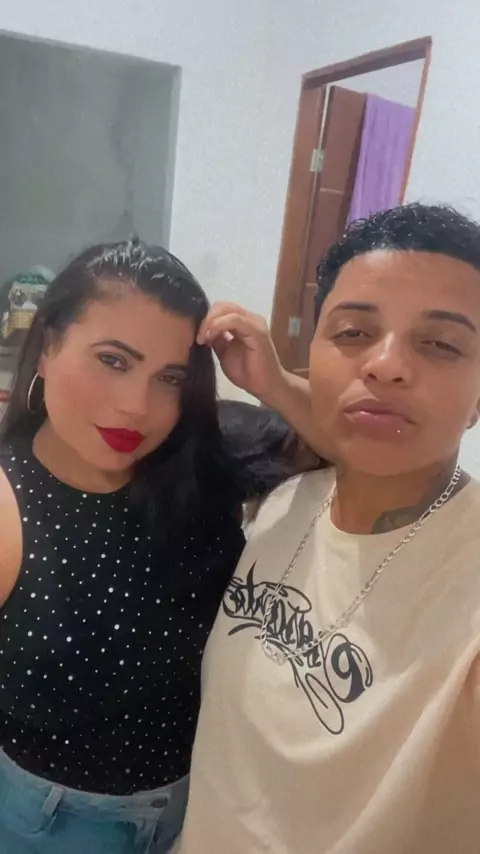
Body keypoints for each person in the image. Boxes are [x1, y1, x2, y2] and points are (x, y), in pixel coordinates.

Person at [177, 203, 480, 854]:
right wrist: (275, 386)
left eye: (440, 344)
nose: (387, 365)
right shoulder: (286, 503)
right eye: (353, 332)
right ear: (313, 351)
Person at [0, 238, 317, 853]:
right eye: (112, 360)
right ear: (48, 347)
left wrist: (274, 383)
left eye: (169, 378)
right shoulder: (10, 504)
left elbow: (359, 455)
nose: (136, 406)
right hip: (51, 827)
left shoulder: (199, 457)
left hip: (205, 811)